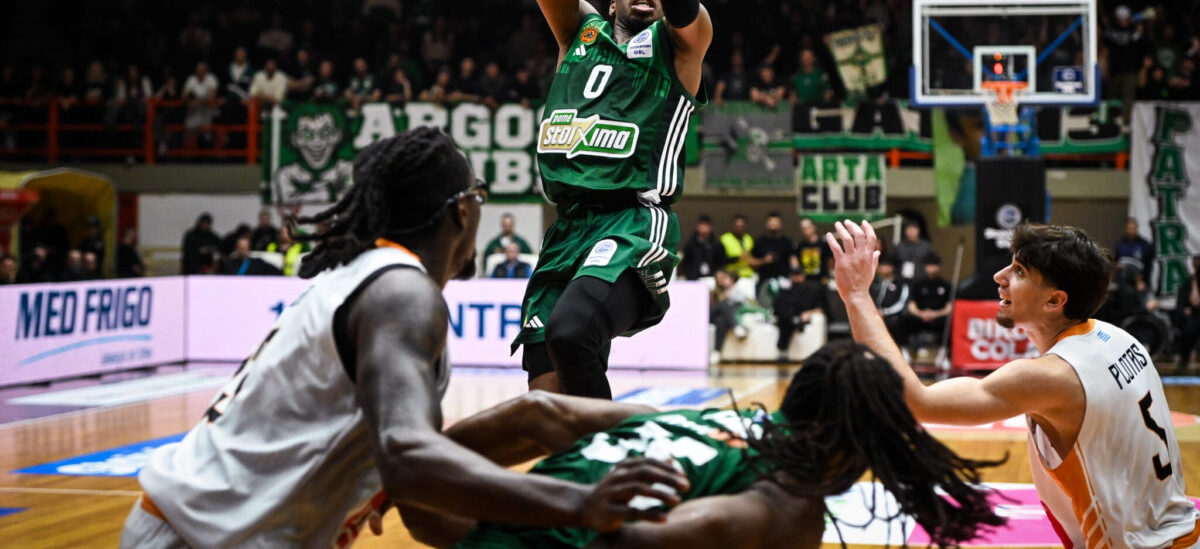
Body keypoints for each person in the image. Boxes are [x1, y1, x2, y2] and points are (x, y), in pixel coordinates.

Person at [123, 127, 686, 548]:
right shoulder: (402, 294)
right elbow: (410, 460)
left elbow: (434, 487)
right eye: (479, 195)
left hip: (192, 527)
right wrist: (579, 503)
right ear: (461, 212)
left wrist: (671, 427)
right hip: (197, 537)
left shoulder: (377, 280)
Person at [512, 0, 715, 399]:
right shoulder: (577, 32)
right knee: (548, 402)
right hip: (566, 229)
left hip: (633, 222)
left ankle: (618, 455)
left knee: (573, 332)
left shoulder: (683, 44)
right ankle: (583, 460)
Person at [401, 341, 1004, 549]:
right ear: (851, 443)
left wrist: (410, 472)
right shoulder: (788, 507)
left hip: (468, 515)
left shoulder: (715, 419)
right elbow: (637, 540)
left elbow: (539, 411)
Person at [829, 219, 1200, 549]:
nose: (999, 276)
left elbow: (915, 402)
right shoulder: (1120, 338)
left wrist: (857, 296)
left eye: (1019, 271)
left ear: (1054, 300)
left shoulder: (1050, 376)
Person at [678, 214, 723, 280]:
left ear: (711, 227)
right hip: (694, 278)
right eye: (702, 225)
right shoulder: (690, 244)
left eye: (706, 225)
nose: (704, 228)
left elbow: (720, 262)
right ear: (697, 226)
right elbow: (686, 263)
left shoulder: (717, 244)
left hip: (712, 278)